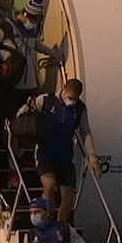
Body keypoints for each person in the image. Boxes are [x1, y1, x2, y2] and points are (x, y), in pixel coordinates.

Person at [0, 0, 62, 187]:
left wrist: (52, 53)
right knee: (14, 131)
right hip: (14, 89)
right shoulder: (5, 28)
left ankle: (20, 159)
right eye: (33, 18)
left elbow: (35, 45)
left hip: (30, 86)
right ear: (25, 14)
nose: (34, 22)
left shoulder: (31, 30)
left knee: (27, 129)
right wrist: (7, 54)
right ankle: (11, 169)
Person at [17, 78, 100, 223]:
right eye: (70, 98)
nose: (72, 102)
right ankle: (44, 223)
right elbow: (26, 111)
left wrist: (92, 157)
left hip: (65, 155)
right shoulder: (47, 101)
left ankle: (61, 227)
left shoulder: (80, 109)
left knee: (68, 195)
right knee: (50, 186)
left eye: (75, 99)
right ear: (64, 90)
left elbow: (85, 131)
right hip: (45, 152)